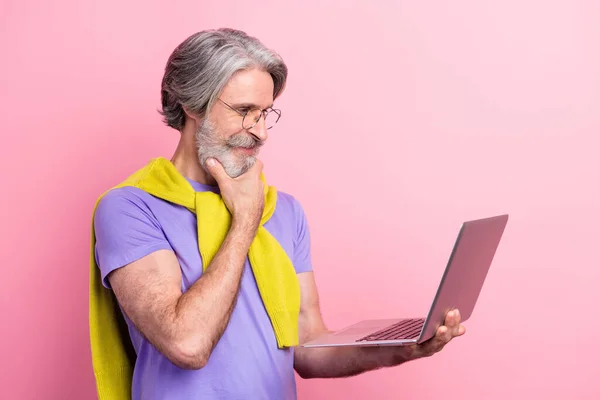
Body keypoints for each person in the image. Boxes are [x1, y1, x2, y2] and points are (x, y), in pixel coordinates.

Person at [90, 27, 466, 400]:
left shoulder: (284, 211)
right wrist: (244, 221)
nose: (261, 132)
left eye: (266, 112)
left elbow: (307, 345)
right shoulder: (131, 207)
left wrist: (403, 348)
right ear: (191, 103)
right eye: (244, 111)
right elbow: (187, 342)